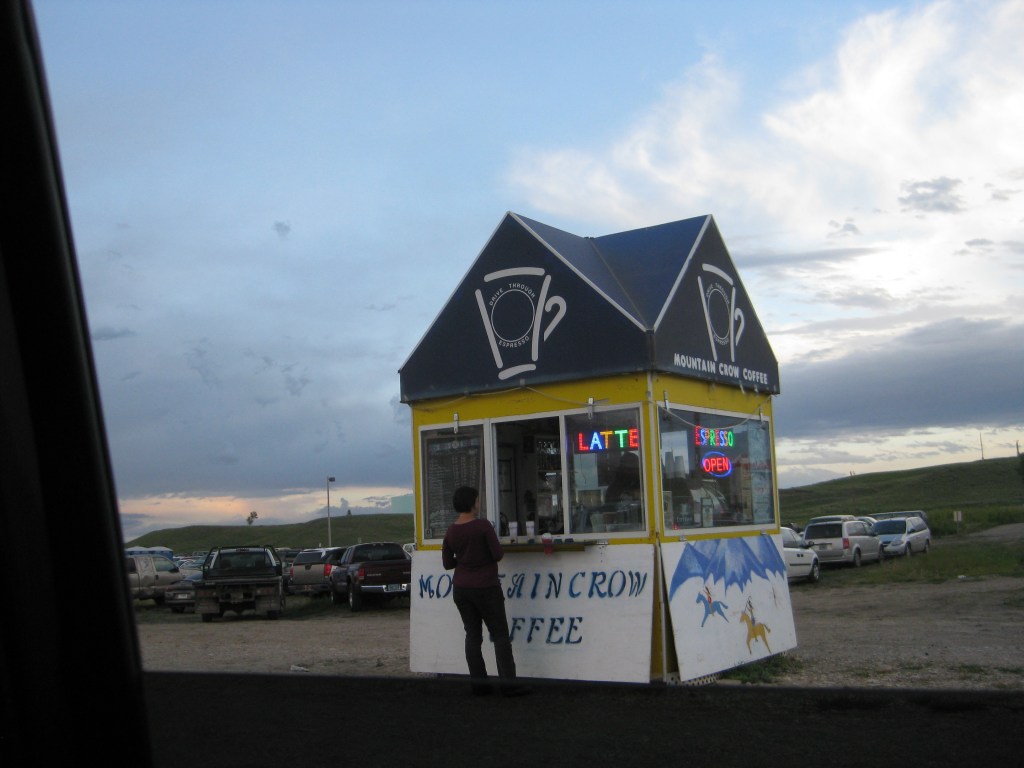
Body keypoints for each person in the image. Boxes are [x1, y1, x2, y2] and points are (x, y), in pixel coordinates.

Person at [442, 485, 530, 697]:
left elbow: (447, 563)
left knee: (472, 636)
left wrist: (464, 560)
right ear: (473, 503)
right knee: (500, 635)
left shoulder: (451, 531)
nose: (479, 503)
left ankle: (479, 685)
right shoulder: (483, 527)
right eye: (478, 500)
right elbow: (498, 554)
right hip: (486, 587)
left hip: (461, 589)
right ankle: (509, 685)